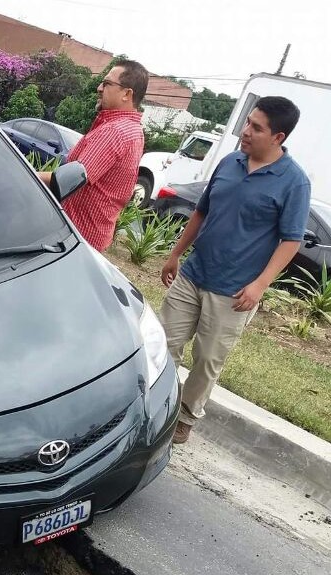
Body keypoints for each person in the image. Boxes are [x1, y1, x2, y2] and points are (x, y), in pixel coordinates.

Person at [158, 96, 310, 444]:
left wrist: (260, 285)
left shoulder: (294, 182)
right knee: (164, 342)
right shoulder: (230, 162)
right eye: (248, 123)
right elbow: (202, 211)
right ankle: (156, 405)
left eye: (257, 127)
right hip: (193, 274)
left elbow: (291, 240)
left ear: (278, 137)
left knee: (207, 360)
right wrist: (175, 253)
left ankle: (185, 416)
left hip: (234, 292)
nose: (246, 131)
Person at [39, 60, 148, 252]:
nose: (99, 88)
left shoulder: (114, 131)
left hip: (76, 239)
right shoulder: (133, 130)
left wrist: (25, 176)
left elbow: (66, 180)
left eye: (107, 83)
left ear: (127, 94)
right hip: (92, 237)